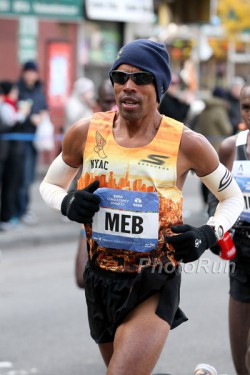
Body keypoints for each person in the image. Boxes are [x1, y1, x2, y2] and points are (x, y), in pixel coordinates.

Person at [39, 39, 243, 375]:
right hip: (101, 278)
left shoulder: (187, 143)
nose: (128, 87)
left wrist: (207, 234)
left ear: (159, 86)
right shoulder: (86, 132)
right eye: (119, 78)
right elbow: (50, 184)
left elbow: (231, 197)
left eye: (141, 78)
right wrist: (67, 202)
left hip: (154, 279)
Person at [208, 83, 250, 375]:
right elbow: (215, 196)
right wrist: (217, 225)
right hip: (242, 253)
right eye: (247, 107)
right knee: (240, 361)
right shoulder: (230, 148)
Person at [74, 78, 116, 288]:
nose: (113, 108)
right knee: (83, 278)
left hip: (131, 219)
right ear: (98, 102)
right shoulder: (88, 129)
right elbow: (72, 173)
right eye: (107, 102)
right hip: (96, 215)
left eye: (115, 101)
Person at [16, 60, 48, 224]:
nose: (31, 75)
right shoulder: (18, 90)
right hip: (19, 140)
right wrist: (29, 116)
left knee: (28, 177)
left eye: (33, 72)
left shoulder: (38, 90)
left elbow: (44, 108)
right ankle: (20, 210)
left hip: (35, 140)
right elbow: (17, 112)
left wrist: (41, 116)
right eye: (28, 72)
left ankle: (25, 209)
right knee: (20, 177)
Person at [194, 86, 232, 206]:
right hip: (216, 147)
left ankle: (205, 203)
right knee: (216, 177)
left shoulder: (204, 110)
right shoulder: (219, 110)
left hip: (202, 147)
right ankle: (214, 204)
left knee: (204, 177)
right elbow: (227, 129)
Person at [0, 81, 31, 229]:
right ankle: (6, 217)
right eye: (14, 91)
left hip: (12, 152)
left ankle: (10, 215)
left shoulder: (10, 106)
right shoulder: (5, 107)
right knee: (9, 185)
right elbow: (10, 123)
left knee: (13, 184)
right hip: (8, 153)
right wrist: (22, 114)